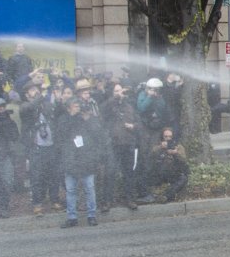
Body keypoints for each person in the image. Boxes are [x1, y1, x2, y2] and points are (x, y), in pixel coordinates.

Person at [57, 98, 103, 228]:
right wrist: (72, 117)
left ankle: (91, 215)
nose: (78, 108)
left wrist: (88, 119)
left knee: (89, 188)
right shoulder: (63, 119)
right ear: (69, 108)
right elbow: (62, 134)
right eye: (75, 106)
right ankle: (72, 217)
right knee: (71, 190)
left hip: (86, 159)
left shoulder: (86, 118)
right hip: (70, 160)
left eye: (79, 106)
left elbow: (97, 133)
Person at [19, 81, 62, 215]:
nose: (36, 92)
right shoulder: (25, 106)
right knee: (36, 177)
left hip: (51, 145)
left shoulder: (45, 104)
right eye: (32, 90)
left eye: (36, 89)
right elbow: (30, 108)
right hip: (36, 147)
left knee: (53, 175)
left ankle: (54, 200)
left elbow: (57, 113)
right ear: (27, 94)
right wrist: (41, 96)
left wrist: (58, 99)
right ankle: (37, 203)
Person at [100, 82, 141, 210]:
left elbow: (139, 122)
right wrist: (115, 98)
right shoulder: (108, 106)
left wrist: (133, 126)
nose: (120, 93)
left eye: (120, 90)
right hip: (113, 144)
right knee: (110, 172)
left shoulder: (129, 105)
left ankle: (129, 199)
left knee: (128, 173)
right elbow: (103, 111)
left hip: (128, 143)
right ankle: (107, 201)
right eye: (116, 91)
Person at [151, 127, 189, 203]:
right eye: (166, 136)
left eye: (170, 136)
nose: (168, 138)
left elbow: (184, 160)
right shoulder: (157, 145)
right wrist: (160, 147)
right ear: (162, 136)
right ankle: (167, 196)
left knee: (183, 178)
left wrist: (175, 153)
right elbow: (151, 155)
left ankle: (166, 196)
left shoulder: (178, 146)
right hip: (159, 173)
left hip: (172, 173)